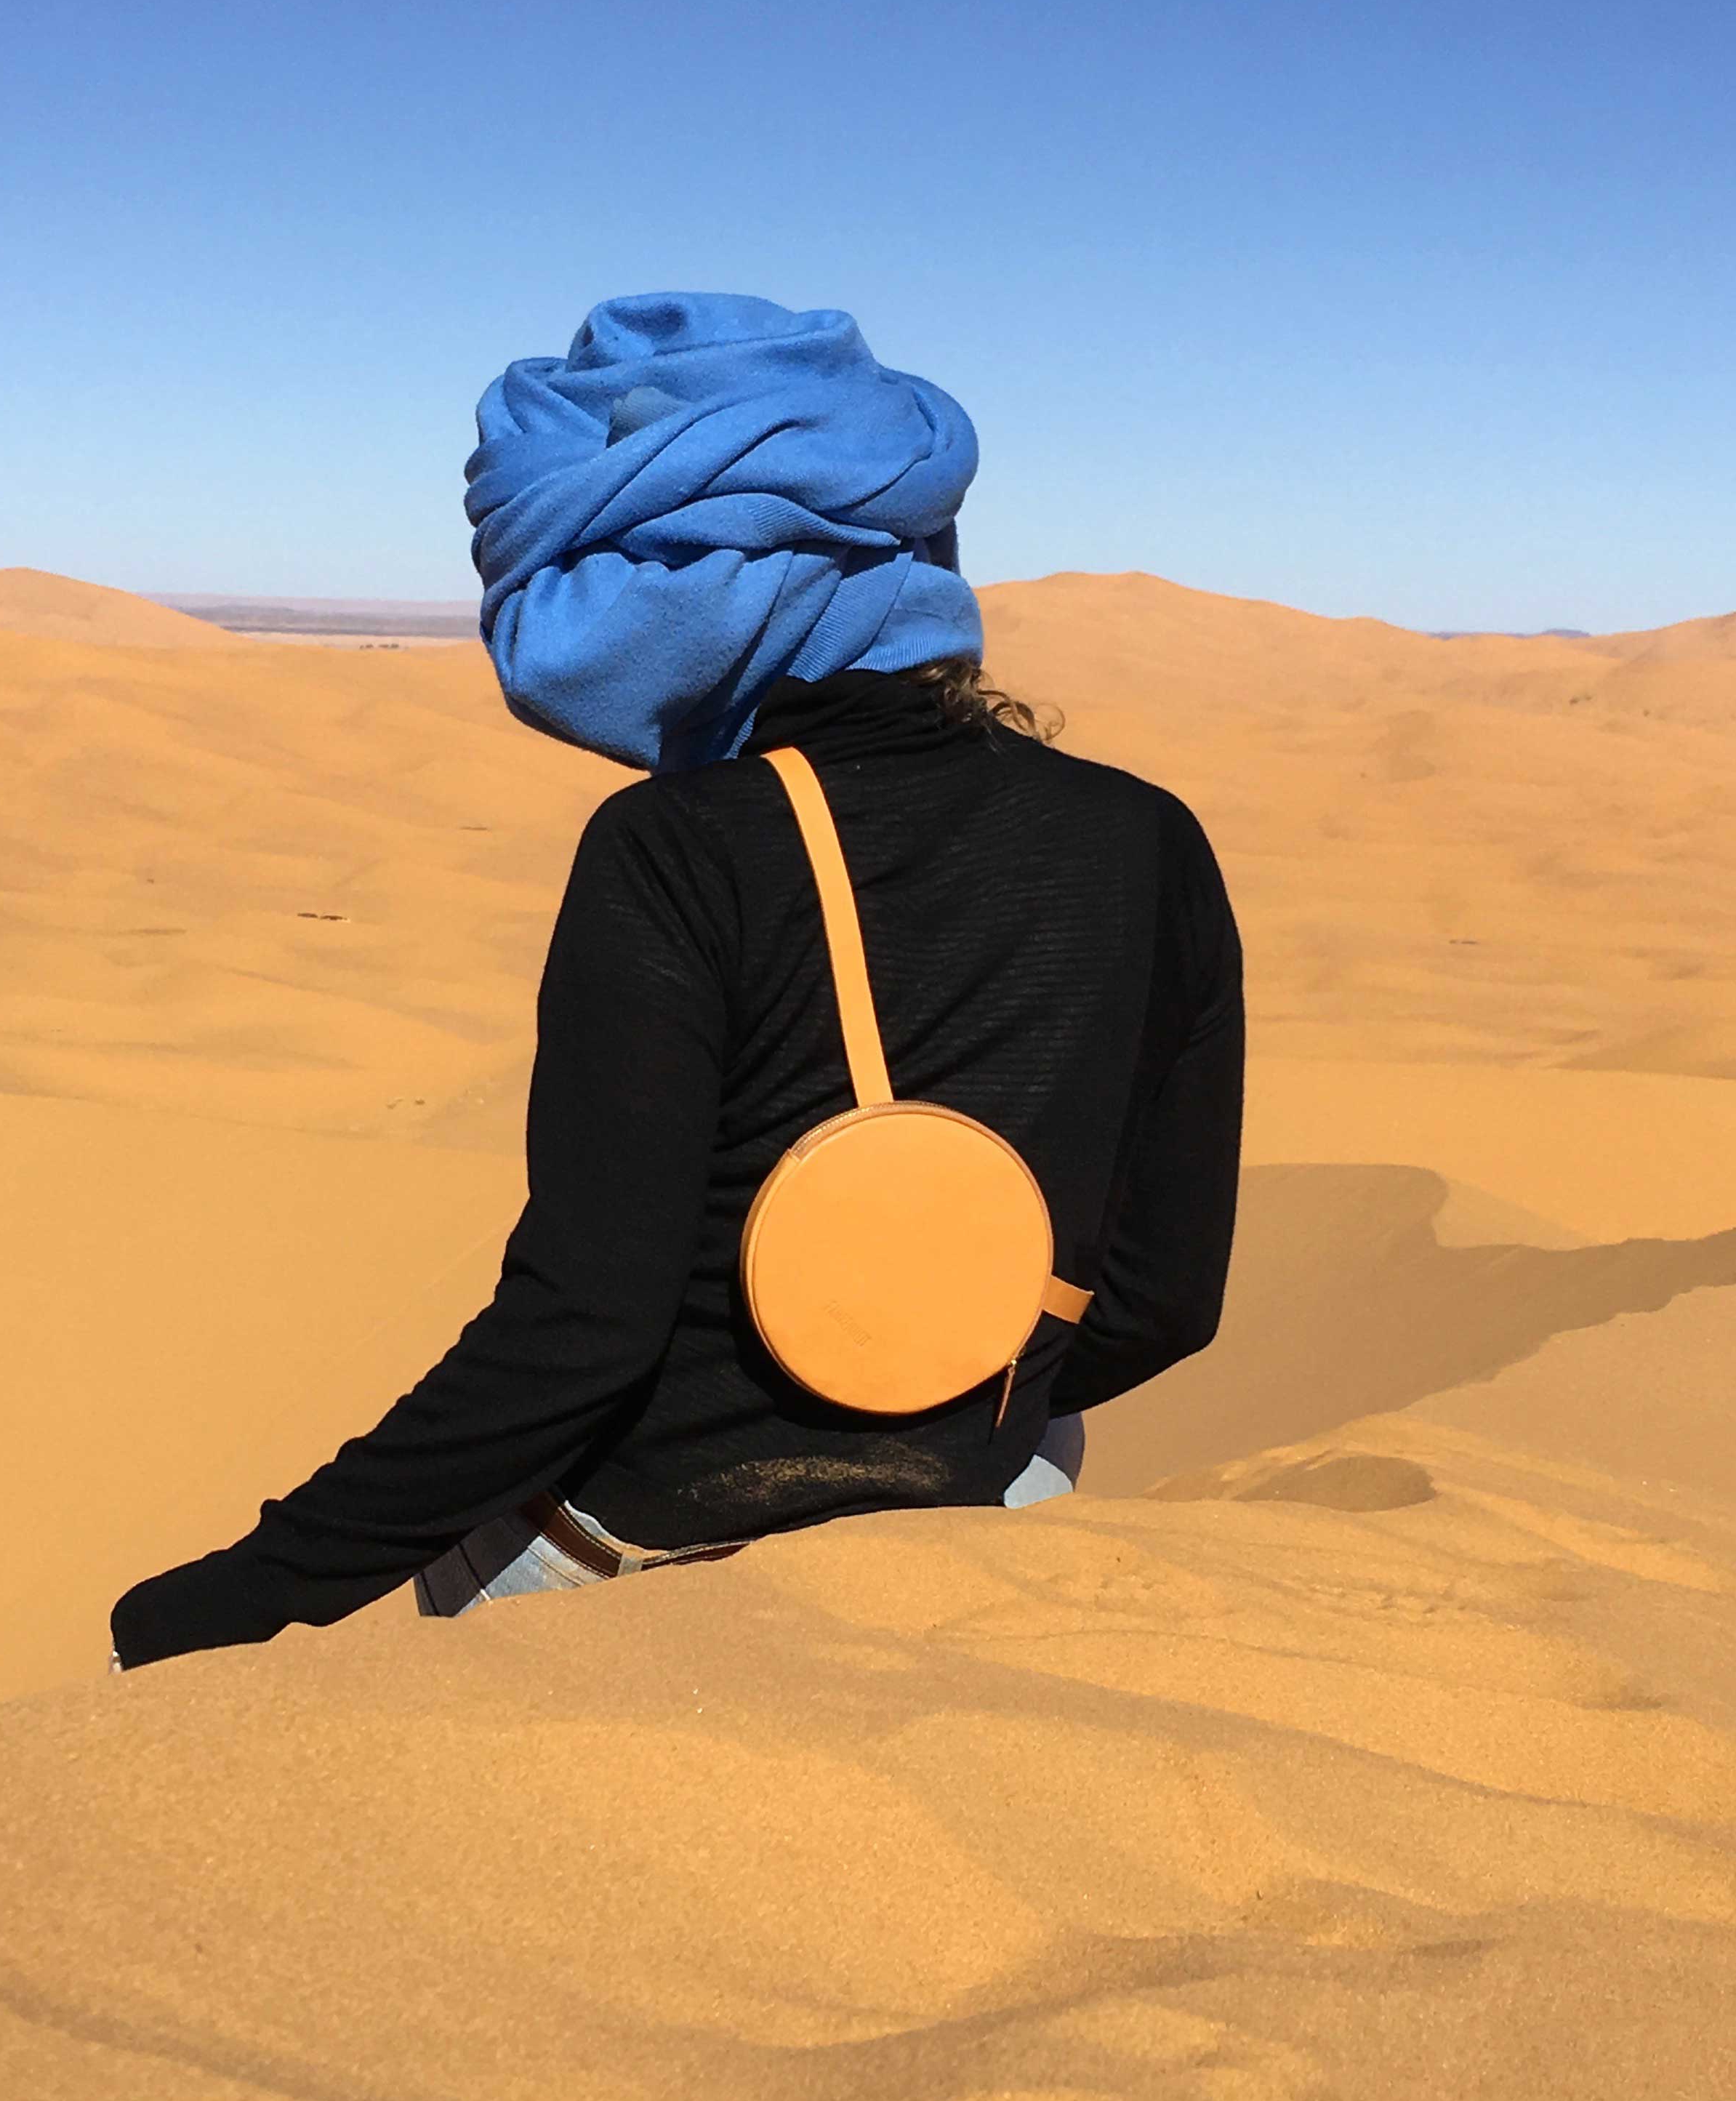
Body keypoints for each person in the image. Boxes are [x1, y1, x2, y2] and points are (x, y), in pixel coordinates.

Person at [110, 292, 1241, 1668]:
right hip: (982, 1531)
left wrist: (246, 1595)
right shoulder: (1148, 836)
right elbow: (1161, 1301)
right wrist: (931, 1431)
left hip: (633, 1571)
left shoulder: (682, 851)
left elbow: (583, 1330)